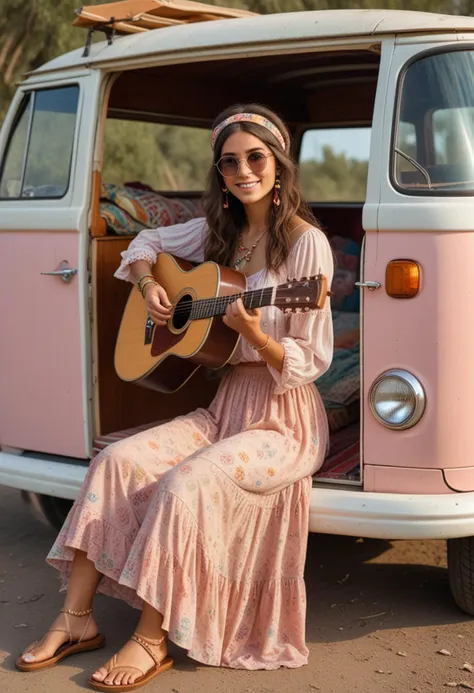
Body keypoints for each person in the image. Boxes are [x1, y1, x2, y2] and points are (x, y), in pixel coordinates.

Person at [17, 103, 334, 691]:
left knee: (184, 484)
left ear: (279, 164)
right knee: (115, 461)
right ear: (219, 173)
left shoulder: (306, 245)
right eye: (230, 163)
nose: (244, 171)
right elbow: (142, 244)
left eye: (256, 158)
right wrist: (148, 287)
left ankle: (151, 637)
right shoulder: (219, 231)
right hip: (226, 407)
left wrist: (255, 334)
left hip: (282, 422)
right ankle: (76, 618)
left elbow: (311, 361)